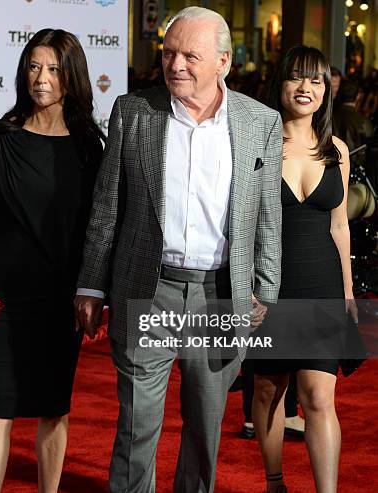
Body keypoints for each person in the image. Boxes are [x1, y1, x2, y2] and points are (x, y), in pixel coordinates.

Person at [75, 6, 283, 493]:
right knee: (136, 425)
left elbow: (268, 216)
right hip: (150, 291)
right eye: (169, 53)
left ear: (224, 63)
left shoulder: (260, 122)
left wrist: (266, 292)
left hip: (219, 295)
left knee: (204, 428)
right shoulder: (134, 112)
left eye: (191, 55)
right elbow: (108, 204)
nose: (176, 65)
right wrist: (90, 282)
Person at [0, 28, 103, 493]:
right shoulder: (2, 136)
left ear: (71, 76)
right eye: (34, 66)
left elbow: (98, 224)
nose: (41, 78)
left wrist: (95, 289)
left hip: (62, 296)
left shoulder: (87, 145)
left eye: (54, 69)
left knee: (55, 405)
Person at [252, 46, 355, 493]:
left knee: (318, 397)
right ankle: (275, 482)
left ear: (326, 90)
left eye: (315, 80)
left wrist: (349, 291)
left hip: (322, 284)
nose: (306, 88)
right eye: (297, 78)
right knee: (268, 391)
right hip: (270, 288)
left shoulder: (337, 151)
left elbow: (340, 223)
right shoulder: (259, 144)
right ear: (281, 85)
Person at [333, 79, 374, 152]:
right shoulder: (363, 121)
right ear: (358, 96)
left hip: (331, 161)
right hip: (354, 161)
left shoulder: (327, 117)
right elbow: (370, 144)